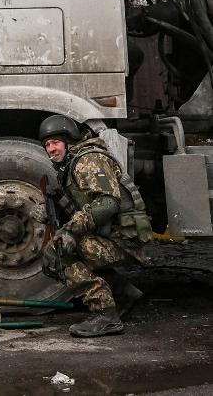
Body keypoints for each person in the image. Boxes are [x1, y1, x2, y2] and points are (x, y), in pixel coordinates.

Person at [37, 115, 153, 338]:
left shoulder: (88, 161)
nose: (51, 149)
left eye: (55, 143)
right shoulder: (74, 163)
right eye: (47, 145)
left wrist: (70, 231)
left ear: (69, 141)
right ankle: (123, 295)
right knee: (64, 247)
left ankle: (105, 315)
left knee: (59, 253)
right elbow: (82, 205)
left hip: (125, 239)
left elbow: (108, 203)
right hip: (115, 236)